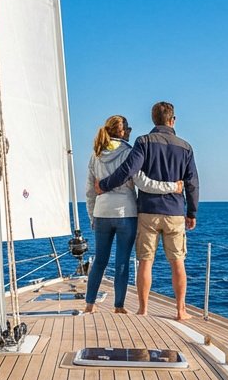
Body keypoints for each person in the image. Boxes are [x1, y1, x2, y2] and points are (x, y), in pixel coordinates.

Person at [97, 101, 200, 319]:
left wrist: (104, 185)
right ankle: (181, 311)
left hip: (147, 211)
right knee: (177, 262)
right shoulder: (186, 147)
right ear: (173, 120)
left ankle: (143, 309)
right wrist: (192, 212)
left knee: (145, 261)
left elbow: (128, 170)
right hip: (174, 212)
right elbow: (192, 182)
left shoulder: (143, 142)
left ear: (154, 120)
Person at [84, 115, 183, 314]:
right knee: (122, 261)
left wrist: (92, 216)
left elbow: (89, 190)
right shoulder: (129, 152)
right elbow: (143, 183)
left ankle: (89, 305)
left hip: (102, 213)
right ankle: (119, 306)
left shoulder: (96, 154)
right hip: (125, 213)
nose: (130, 130)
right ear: (121, 132)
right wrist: (173, 186)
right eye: (127, 128)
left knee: (100, 261)